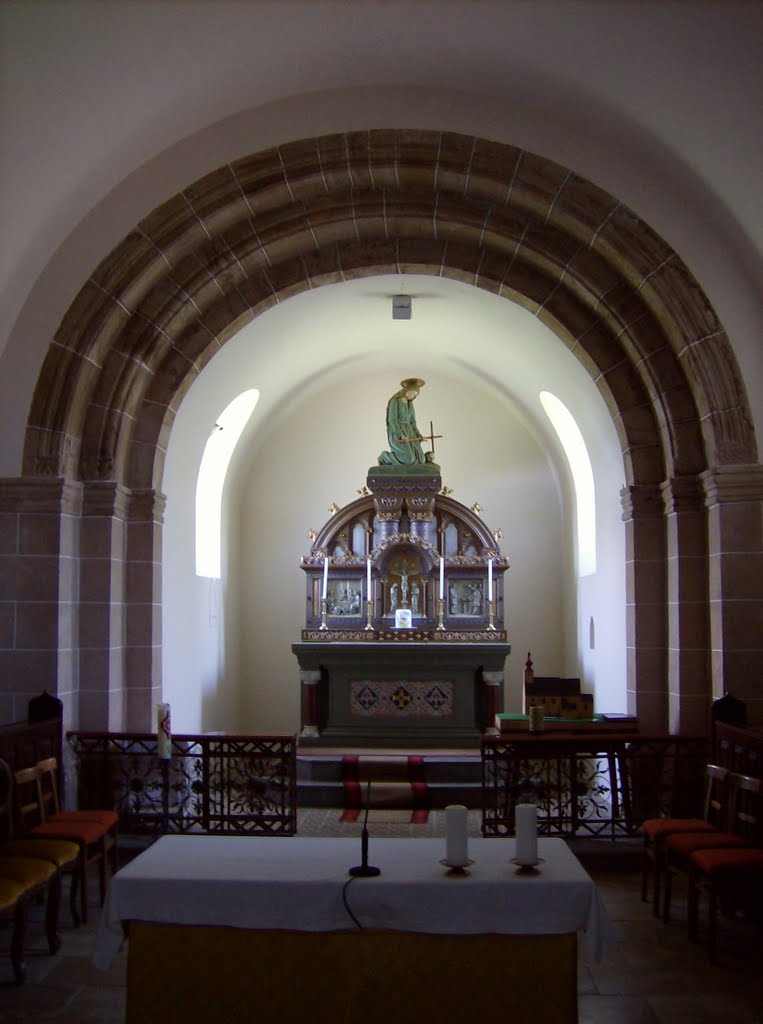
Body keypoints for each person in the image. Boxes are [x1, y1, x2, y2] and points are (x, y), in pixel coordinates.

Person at [378, 378, 426, 465]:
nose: (412, 396)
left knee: (421, 459)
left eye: (415, 394)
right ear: (406, 390)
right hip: (397, 431)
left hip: (410, 432)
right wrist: (399, 434)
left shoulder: (410, 404)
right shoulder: (395, 401)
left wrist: (419, 435)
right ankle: (385, 457)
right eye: (411, 393)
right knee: (408, 459)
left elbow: (413, 422)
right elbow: (392, 420)